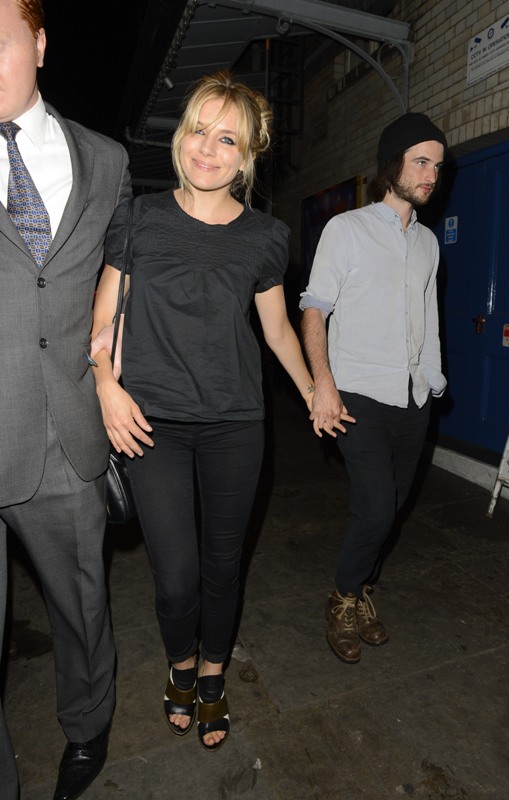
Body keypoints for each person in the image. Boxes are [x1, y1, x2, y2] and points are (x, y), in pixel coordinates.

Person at [90, 71, 316, 751]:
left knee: (223, 566)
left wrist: (314, 392)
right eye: (198, 131)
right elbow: (103, 321)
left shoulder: (265, 237)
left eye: (227, 139)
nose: (208, 149)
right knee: (176, 575)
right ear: (180, 137)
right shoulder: (138, 218)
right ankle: (180, 663)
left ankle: (212, 673)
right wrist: (105, 384)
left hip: (235, 423)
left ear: (246, 157)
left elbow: (277, 331)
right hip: (151, 424)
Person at [0, 1, 131, 798]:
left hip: (64, 435)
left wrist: (113, 378)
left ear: (41, 43)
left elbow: (123, 284)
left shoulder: (106, 162)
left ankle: (88, 725)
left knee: (81, 607)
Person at [300, 112, 448, 664]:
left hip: (413, 395)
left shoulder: (428, 243)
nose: (431, 175)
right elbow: (314, 309)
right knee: (378, 511)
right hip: (357, 393)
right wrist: (323, 385)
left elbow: (428, 317)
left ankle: (361, 590)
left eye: (437, 165)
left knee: (394, 506)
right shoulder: (346, 230)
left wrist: (433, 378)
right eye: (421, 162)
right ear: (393, 166)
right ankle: (343, 598)